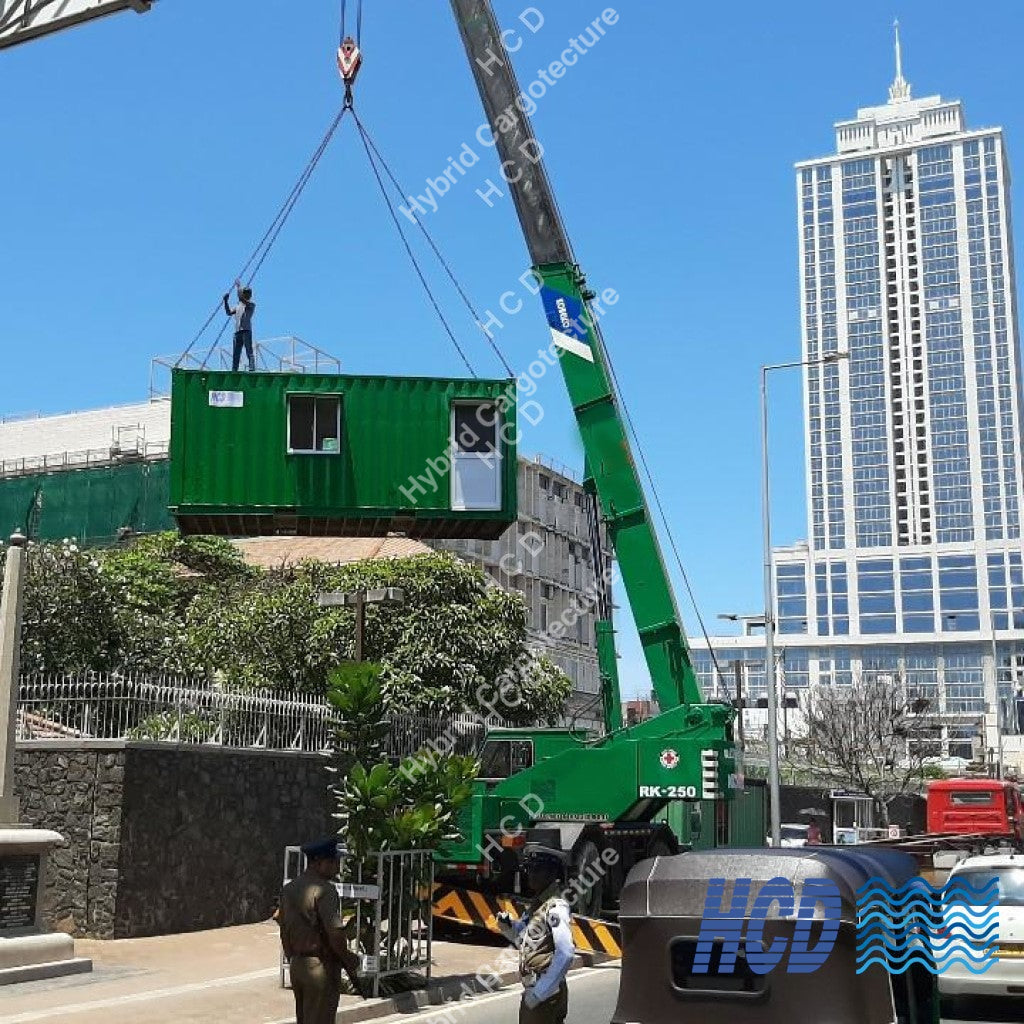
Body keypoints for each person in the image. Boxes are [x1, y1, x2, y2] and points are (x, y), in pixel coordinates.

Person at [277, 838, 363, 1024]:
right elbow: (335, 933)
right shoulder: (325, 890)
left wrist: (293, 957)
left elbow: (284, 929)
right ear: (318, 862)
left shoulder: (289, 889)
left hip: (298, 965)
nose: (337, 868)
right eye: (333, 862)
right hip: (320, 966)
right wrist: (348, 958)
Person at [496, 845, 574, 1024]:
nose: (531, 875)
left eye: (537, 869)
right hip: (539, 990)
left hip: (544, 992)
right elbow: (525, 940)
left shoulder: (556, 907)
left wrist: (541, 992)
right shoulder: (538, 905)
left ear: (552, 873)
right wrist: (508, 927)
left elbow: (566, 951)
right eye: (529, 869)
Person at [223, 279, 256, 372]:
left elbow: (241, 298)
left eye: (246, 293)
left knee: (249, 350)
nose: (245, 295)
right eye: (244, 293)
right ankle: (234, 369)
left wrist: (238, 287)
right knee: (236, 353)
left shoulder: (251, 305)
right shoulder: (238, 306)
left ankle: (251, 367)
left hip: (246, 330)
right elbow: (229, 312)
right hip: (238, 332)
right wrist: (225, 301)